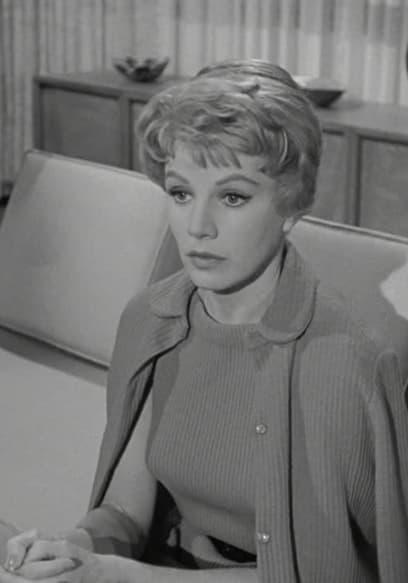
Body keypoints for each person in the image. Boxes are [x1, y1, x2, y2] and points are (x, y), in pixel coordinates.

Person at [1, 58, 408, 583]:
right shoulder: (151, 319)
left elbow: (334, 574)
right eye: (180, 192)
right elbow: (125, 513)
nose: (197, 227)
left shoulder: (348, 363)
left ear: (291, 206)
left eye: (232, 197)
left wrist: (122, 576)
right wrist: (73, 550)